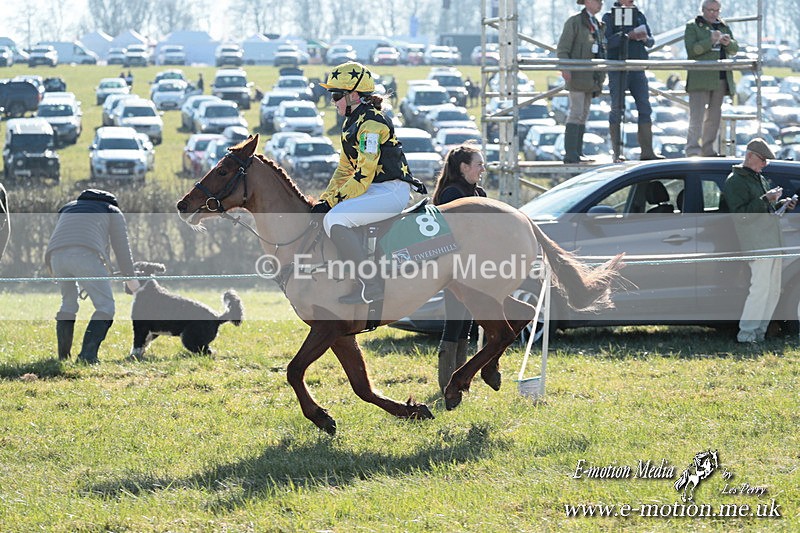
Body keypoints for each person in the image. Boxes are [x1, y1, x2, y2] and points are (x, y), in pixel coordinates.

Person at [313, 61, 426, 304]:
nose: (332, 101)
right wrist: (325, 199)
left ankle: (371, 283)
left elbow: (363, 175)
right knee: (330, 212)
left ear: (354, 95)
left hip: (391, 191)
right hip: (376, 189)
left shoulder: (371, 124)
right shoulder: (351, 122)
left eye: (336, 95)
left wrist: (331, 204)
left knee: (335, 218)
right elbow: (344, 169)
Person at [46, 189, 140, 364]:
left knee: (68, 303)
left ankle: (63, 357)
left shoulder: (67, 208)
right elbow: (122, 250)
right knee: (106, 306)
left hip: (55, 257)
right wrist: (132, 282)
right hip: (85, 256)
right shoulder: (112, 211)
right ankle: (87, 357)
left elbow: (67, 236)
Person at [721, 139, 796, 343]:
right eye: (763, 160)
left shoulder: (757, 177)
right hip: (757, 243)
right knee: (760, 289)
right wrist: (766, 200)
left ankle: (758, 334)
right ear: (750, 156)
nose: (764, 165)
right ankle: (746, 334)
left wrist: (781, 204)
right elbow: (740, 215)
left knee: (772, 290)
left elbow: (763, 209)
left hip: (771, 241)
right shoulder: (735, 181)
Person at [431, 143, 486, 393]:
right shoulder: (451, 194)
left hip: (474, 267)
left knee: (467, 324)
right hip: (454, 270)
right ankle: (446, 384)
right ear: (464, 167)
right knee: (454, 324)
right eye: (479, 164)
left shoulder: (479, 193)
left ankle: (461, 381)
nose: (483, 169)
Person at [602, 0, 663, 161]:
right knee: (616, 108)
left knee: (645, 108)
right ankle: (616, 153)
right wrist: (627, 36)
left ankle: (647, 151)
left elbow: (651, 42)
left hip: (637, 68)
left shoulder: (639, 16)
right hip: (617, 68)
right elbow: (606, 43)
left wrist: (644, 38)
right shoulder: (608, 17)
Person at [684, 0, 738, 157]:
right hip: (700, 78)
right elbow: (692, 50)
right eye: (710, 10)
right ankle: (693, 149)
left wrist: (728, 43)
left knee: (714, 117)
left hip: (720, 78)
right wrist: (710, 41)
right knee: (697, 117)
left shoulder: (724, 26)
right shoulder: (692, 26)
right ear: (703, 9)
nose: (714, 13)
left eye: (717, 10)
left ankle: (708, 149)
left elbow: (735, 49)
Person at [556, 0, 607, 163]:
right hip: (578, 75)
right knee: (576, 112)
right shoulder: (575, 22)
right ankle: (571, 153)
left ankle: (577, 152)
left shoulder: (598, 24)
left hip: (591, 77)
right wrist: (565, 68)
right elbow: (563, 48)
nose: (601, 3)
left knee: (583, 114)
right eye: (597, 1)